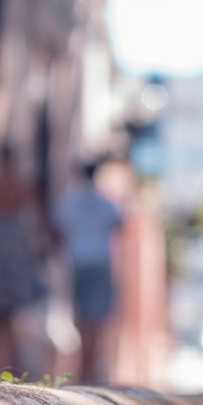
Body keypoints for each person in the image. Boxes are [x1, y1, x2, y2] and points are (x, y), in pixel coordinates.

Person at [0, 143, 47, 378]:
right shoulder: (21, 184)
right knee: (11, 313)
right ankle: (11, 368)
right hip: (13, 243)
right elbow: (32, 216)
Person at [53, 159, 124, 384]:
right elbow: (119, 225)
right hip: (100, 261)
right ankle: (93, 367)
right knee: (99, 317)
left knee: (82, 316)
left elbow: (58, 229)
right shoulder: (106, 203)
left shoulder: (70, 202)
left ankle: (85, 366)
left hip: (78, 261)